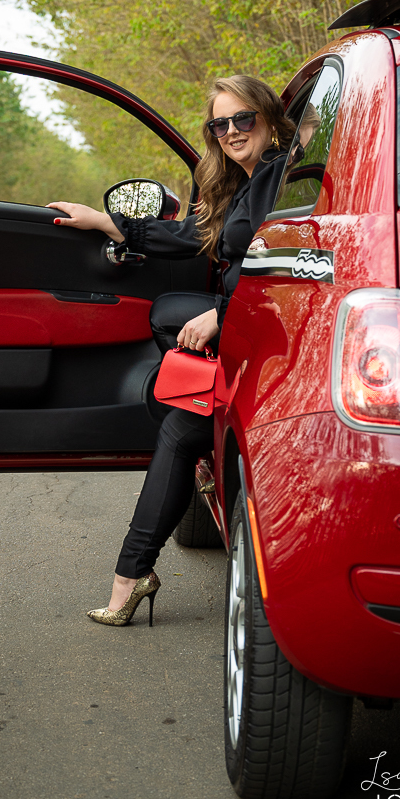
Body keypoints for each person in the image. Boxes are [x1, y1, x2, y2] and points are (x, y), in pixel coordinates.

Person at [46, 75, 295, 625]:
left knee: (181, 427)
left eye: (242, 119)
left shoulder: (284, 178)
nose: (230, 132)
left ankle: (131, 576)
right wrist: (103, 222)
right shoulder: (244, 182)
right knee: (165, 317)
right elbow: (188, 237)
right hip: (245, 321)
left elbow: (284, 266)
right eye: (219, 124)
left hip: (268, 331)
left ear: (271, 119)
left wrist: (222, 315)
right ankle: (139, 563)